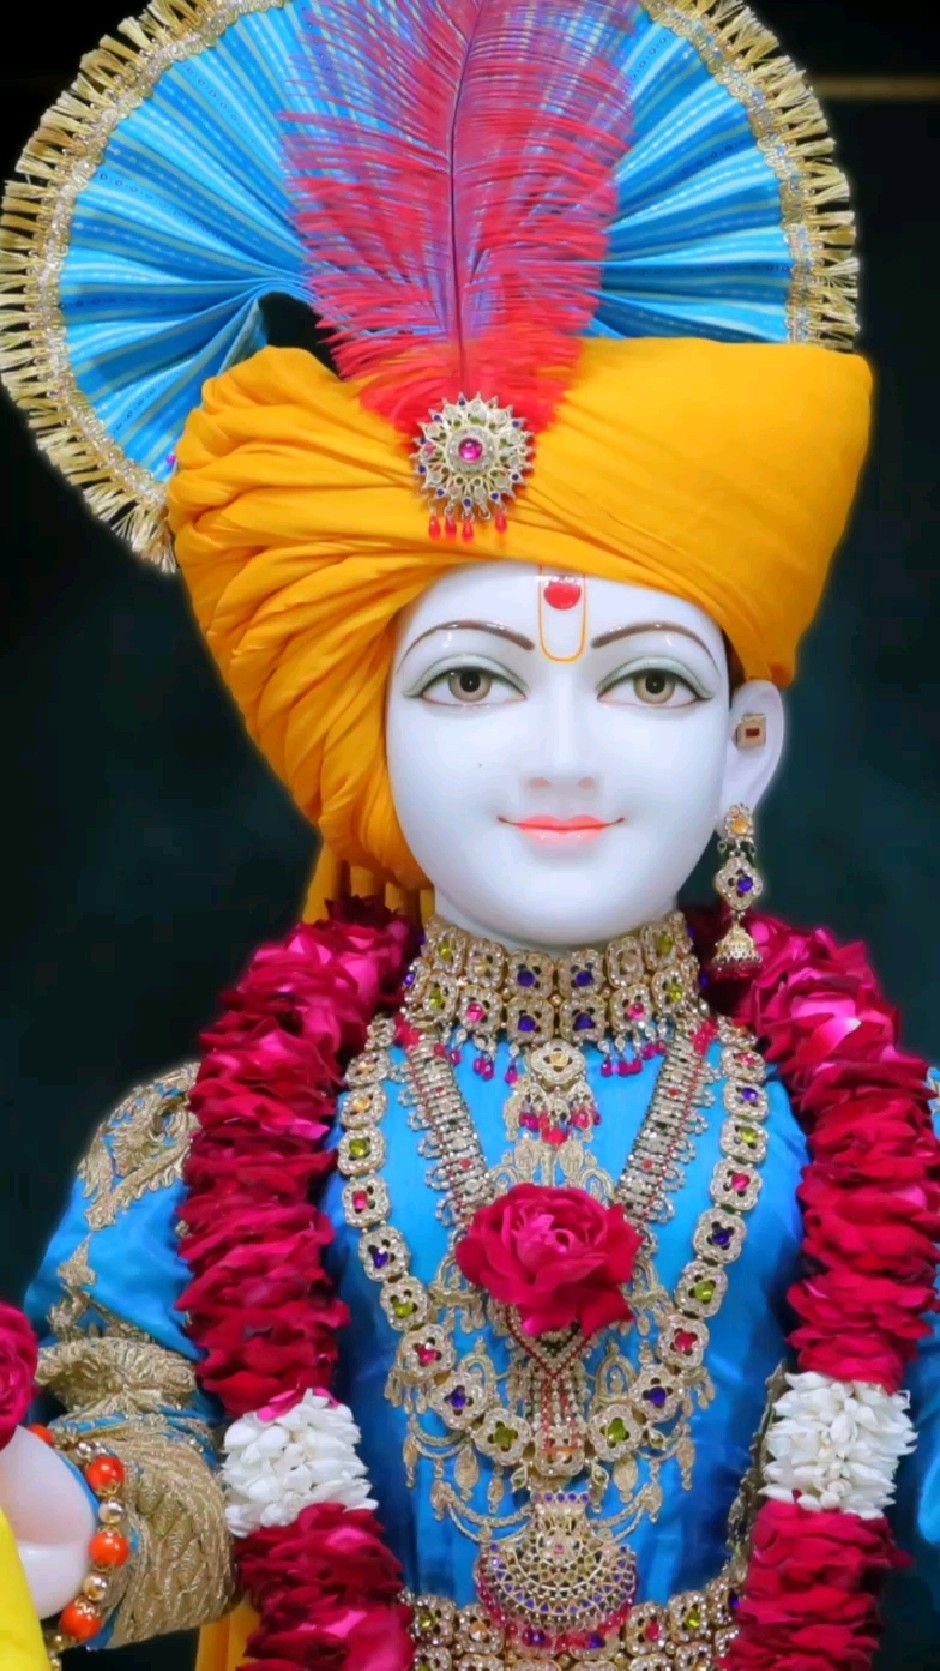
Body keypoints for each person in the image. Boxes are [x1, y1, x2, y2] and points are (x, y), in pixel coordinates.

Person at [0, 2, 936, 1668]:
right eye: (472, 685)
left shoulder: (874, 1136)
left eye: (646, 683)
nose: (562, 752)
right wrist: (50, 1511)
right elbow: (166, 1502)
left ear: (745, 746)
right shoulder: (208, 1143)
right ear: (366, 738)